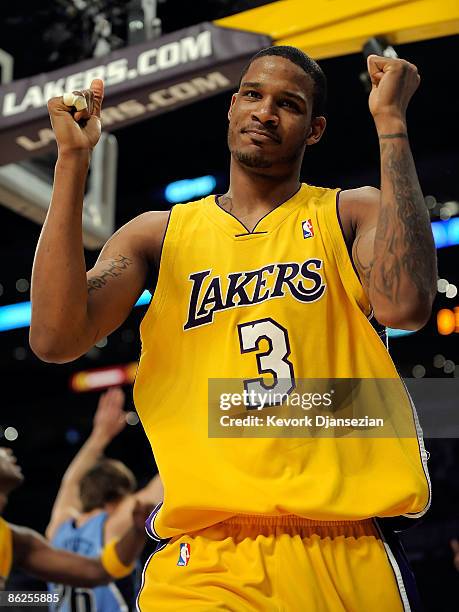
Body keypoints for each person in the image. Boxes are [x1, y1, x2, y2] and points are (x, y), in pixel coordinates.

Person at [31, 45, 437, 611]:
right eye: (253, 94)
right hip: (204, 552)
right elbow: (54, 338)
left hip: (345, 541)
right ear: (231, 107)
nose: (265, 112)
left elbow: (406, 307)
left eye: (288, 104)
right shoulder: (158, 234)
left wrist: (391, 123)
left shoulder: (350, 213)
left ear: (315, 129)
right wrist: (72, 161)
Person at [46, 387, 163, 611]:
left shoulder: (58, 528)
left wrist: (99, 435)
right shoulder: (113, 524)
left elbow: (70, 482)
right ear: (121, 496)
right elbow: (166, 481)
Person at [0, 447, 149, 593]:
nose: (7, 451)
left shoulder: (13, 538)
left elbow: (96, 572)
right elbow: (70, 484)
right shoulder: (105, 521)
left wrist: (137, 531)